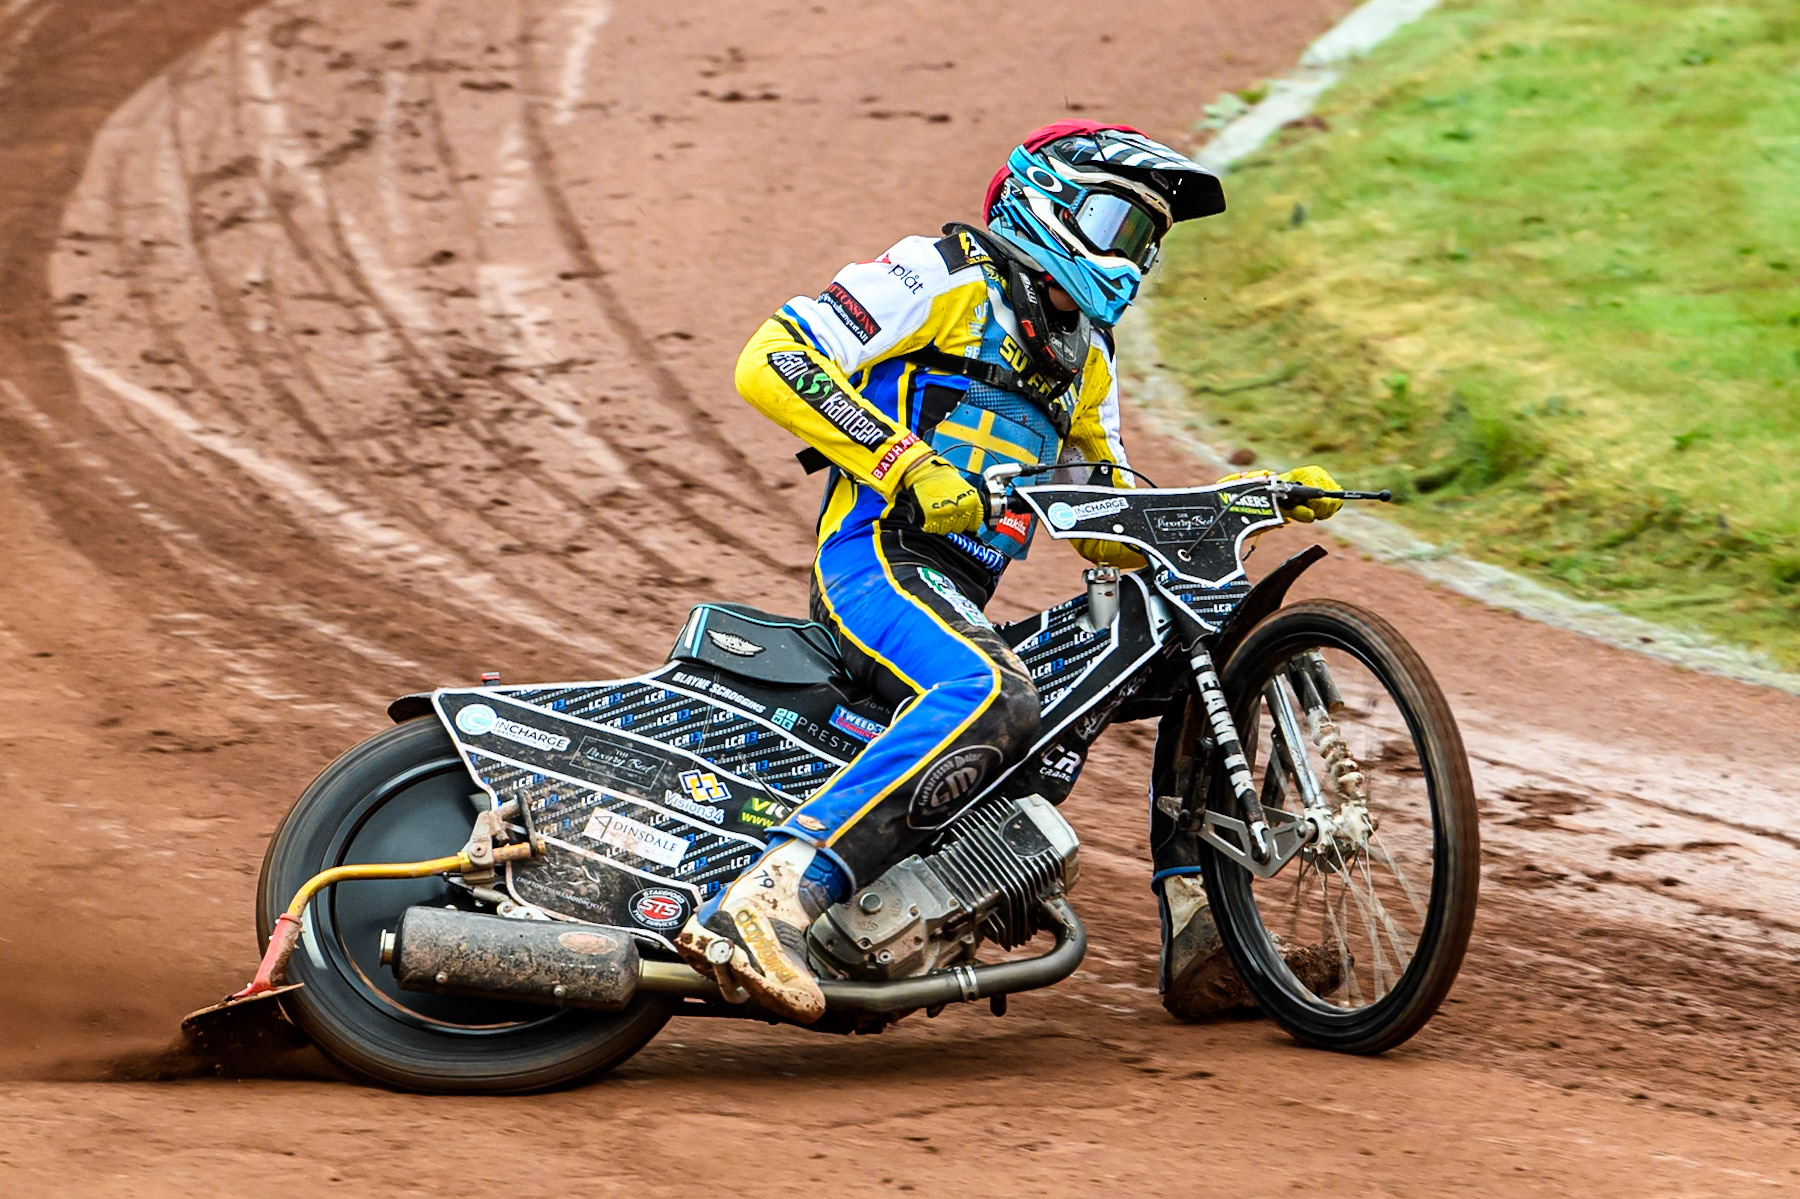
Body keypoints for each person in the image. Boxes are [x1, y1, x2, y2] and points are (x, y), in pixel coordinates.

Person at [677, 121, 1341, 1023]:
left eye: (1150, 242)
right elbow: (775, 359)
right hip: (876, 563)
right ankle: (771, 897)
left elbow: (1109, 519)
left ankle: (1201, 925)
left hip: (955, 598)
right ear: (1047, 198)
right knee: (990, 688)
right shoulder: (943, 273)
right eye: (1119, 224)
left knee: (1192, 638)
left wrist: (1237, 502)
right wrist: (904, 463)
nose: (1133, 259)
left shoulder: (1087, 361)